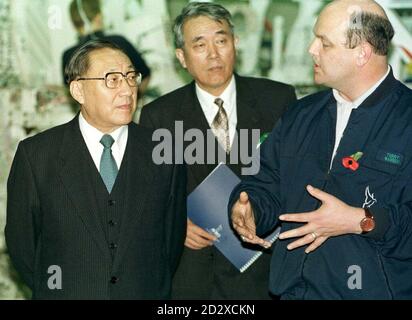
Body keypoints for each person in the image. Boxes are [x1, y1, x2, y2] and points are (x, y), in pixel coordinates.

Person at [229, 0, 412, 299]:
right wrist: (248, 211)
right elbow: (264, 184)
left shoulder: (407, 120)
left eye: (324, 43)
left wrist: (361, 220)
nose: (311, 49)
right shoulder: (300, 115)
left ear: (362, 53)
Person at [5, 39, 186, 299]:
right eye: (112, 79)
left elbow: (170, 243)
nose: (126, 90)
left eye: (131, 77)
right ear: (78, 90)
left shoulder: (165, 152)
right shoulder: (37, 155)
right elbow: (23, 245)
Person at [140, 2, 296, 299]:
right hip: (195, 274)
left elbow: (295, 178)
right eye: (200, 45)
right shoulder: (159, 115)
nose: (213, 54)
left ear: (235, 44)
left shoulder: (278, 99)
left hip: (262, 271)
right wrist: (174, 226)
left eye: (221, 41)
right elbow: (148, 195)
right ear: (181, 57)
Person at [62, 0, 151, 95]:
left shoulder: (68, 55)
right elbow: (145, 75)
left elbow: (69, 92)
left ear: (74, 23)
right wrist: (135, 98)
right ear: (98, 16)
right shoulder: (119, 42)